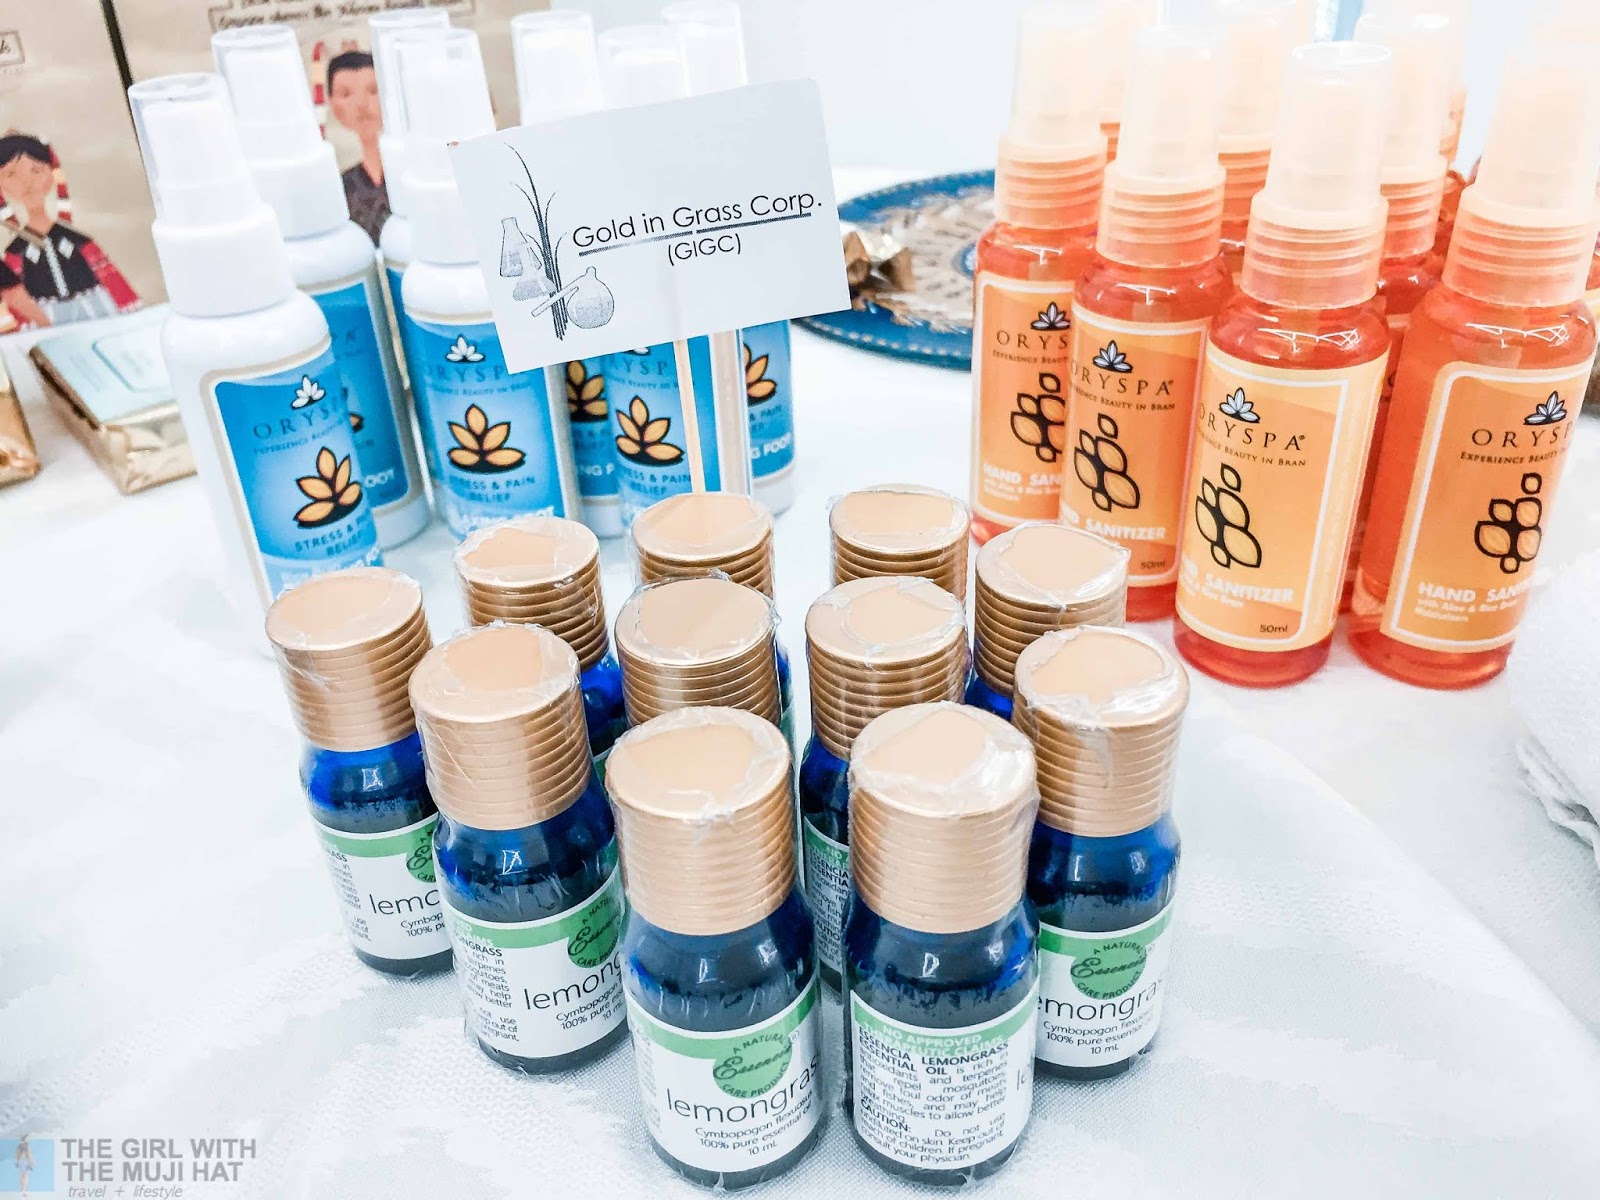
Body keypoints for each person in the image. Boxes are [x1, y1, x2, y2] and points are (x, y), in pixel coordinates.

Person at [0, 132, 139, 328]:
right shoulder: (16, 251)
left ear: (51, 174)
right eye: (11, 175)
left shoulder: (77, 239)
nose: (26, 182)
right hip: (43, 318)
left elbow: (109, 276)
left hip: (93, 308)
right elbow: (13, 297)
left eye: (36, 170)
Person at [326, 50, 389, 243]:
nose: (361, 104)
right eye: (346, 94)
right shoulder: (337, 188)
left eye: (373, 91)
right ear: (332, 105)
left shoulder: (411, 171)